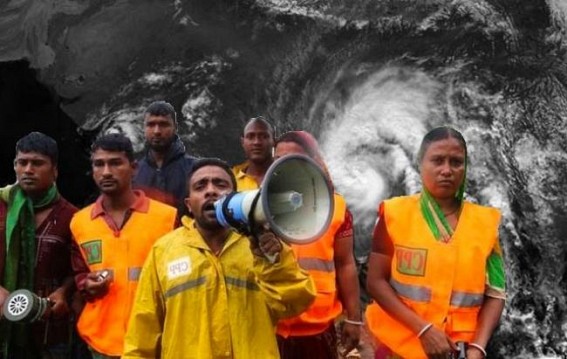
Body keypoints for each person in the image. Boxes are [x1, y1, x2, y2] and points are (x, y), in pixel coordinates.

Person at [122, 158, 316, 359]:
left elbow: (296, 302)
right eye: (200, 186)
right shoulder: (163, 251)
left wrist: (274, 261)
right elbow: (141, 334)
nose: (211, 191)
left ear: (236, 196)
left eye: (220, 184)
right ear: (189, 204)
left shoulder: (263, 246)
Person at [365, 126, 506, 359]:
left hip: (460, 350)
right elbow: (376, 282)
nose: (447, 170)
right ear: (420, 163)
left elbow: (496, 293)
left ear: (465, 167)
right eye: (437, 160)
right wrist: (423, 330)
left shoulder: (487, 223)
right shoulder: (394, 214)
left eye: (456, 162)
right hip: (398, 346)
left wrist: (478, 348)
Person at [71, 133, 177, 358]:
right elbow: (80, 272)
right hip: (100, 343)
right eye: (99, 164)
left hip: (155, 342)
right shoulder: (79, 222)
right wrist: (86, 283)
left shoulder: (167, 218)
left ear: (134, 168)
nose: (106, 172)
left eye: (115, 163)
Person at [274, 131, 362, 359]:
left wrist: (354, 318)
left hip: (318, 327)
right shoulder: (258, 205)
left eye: (294, 158)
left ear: (312, 162)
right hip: (270, 324)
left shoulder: (337, 207)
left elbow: (345, 264)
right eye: (278, 159)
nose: (285, 165)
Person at [0, 132, 78, 359]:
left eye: (37, 163)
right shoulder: (2, 208)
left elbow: (79, 269)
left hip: (49, 332)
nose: (28, 170)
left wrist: (63, 292)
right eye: (22, 162)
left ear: (55, 170)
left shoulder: (73, 217)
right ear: (14, 166)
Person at [134, 101, 195, 215]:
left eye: (163, 124)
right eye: (151, 125)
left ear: (175, 127)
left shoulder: (194, 169)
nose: (157, 131)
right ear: (144, 128)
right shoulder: (133, 172)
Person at [232, 116, 275, 190]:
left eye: (263, 136)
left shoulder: (286, 175)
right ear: (243, 142)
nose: (257, 142)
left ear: (273, 141)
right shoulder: (232, 180)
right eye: (250, 137)